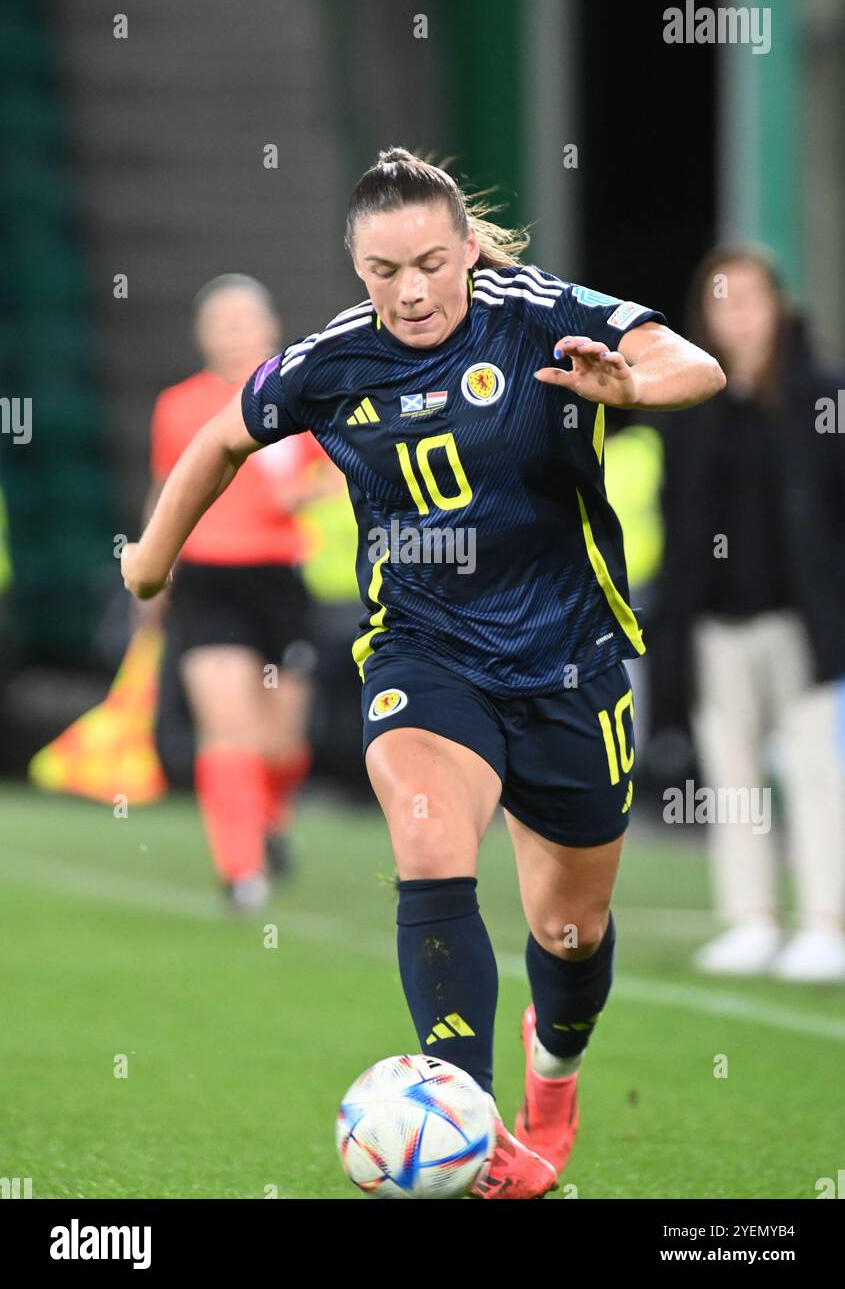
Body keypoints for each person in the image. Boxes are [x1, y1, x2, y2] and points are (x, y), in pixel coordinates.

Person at [121, 148, 724, 1198]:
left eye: (429, 264)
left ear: (466, 253)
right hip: (422, 649)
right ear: (355, 267)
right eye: (381, 269)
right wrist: (151, 557)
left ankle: (554, 1068)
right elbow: (223, 436)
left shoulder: (533, 311)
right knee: (425, 837)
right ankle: (464, 1112)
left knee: (567, 930)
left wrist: (636, 384)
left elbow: (694, 362)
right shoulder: (333, 358)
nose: (407, 290)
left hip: (567, 661)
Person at [654, 244, 845, 981]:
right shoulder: (687, 405)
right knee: (730, 778)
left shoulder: (820, 394)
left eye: (751, 300)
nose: (737, 316)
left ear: (779, 308)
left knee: (813, 771)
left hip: (801, 622)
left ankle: (824, 920)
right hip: (713, 624)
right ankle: (749, 919)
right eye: (721, 301)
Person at [139, 274, 340, 910]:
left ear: (269, 329)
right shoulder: (178, 405)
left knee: (281, 742)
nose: (232, 333)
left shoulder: (298, 403)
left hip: (278, 581)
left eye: (243, 321)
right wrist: (151, 567)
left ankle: (270, 816)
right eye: (220, 323)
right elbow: (166, 490)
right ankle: (241, 872)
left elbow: (341, 476)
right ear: (202, 336)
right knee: (229, 728)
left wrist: (303, 494)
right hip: (207, 577)